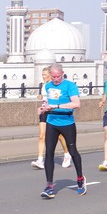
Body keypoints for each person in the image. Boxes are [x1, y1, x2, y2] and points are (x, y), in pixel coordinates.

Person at [38, 65, 86, 198]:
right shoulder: (48, 86)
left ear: (62, 74)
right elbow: (48, 103)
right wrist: (43, 109)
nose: (55, 79)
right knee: (49, 153)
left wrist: (58, 106)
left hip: (67, 122)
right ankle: (49, 186)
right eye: (53, 77)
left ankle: (80, 179)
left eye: (58, 76)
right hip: (52, 122)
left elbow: (76, 104)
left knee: (72, 151)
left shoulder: (70, 86)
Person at [32, 66, 70, 170]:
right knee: (41, 136)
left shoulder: (54, 86)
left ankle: (67, 154)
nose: (43, 77)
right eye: (42, 75)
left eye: (45, 75)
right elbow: (44, 97)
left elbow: (55, 99)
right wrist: (41, 97)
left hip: (53, 111)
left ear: (51, 75)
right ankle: (40, 160)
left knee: (60, 136)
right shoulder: (44, 86)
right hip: (45, 111)